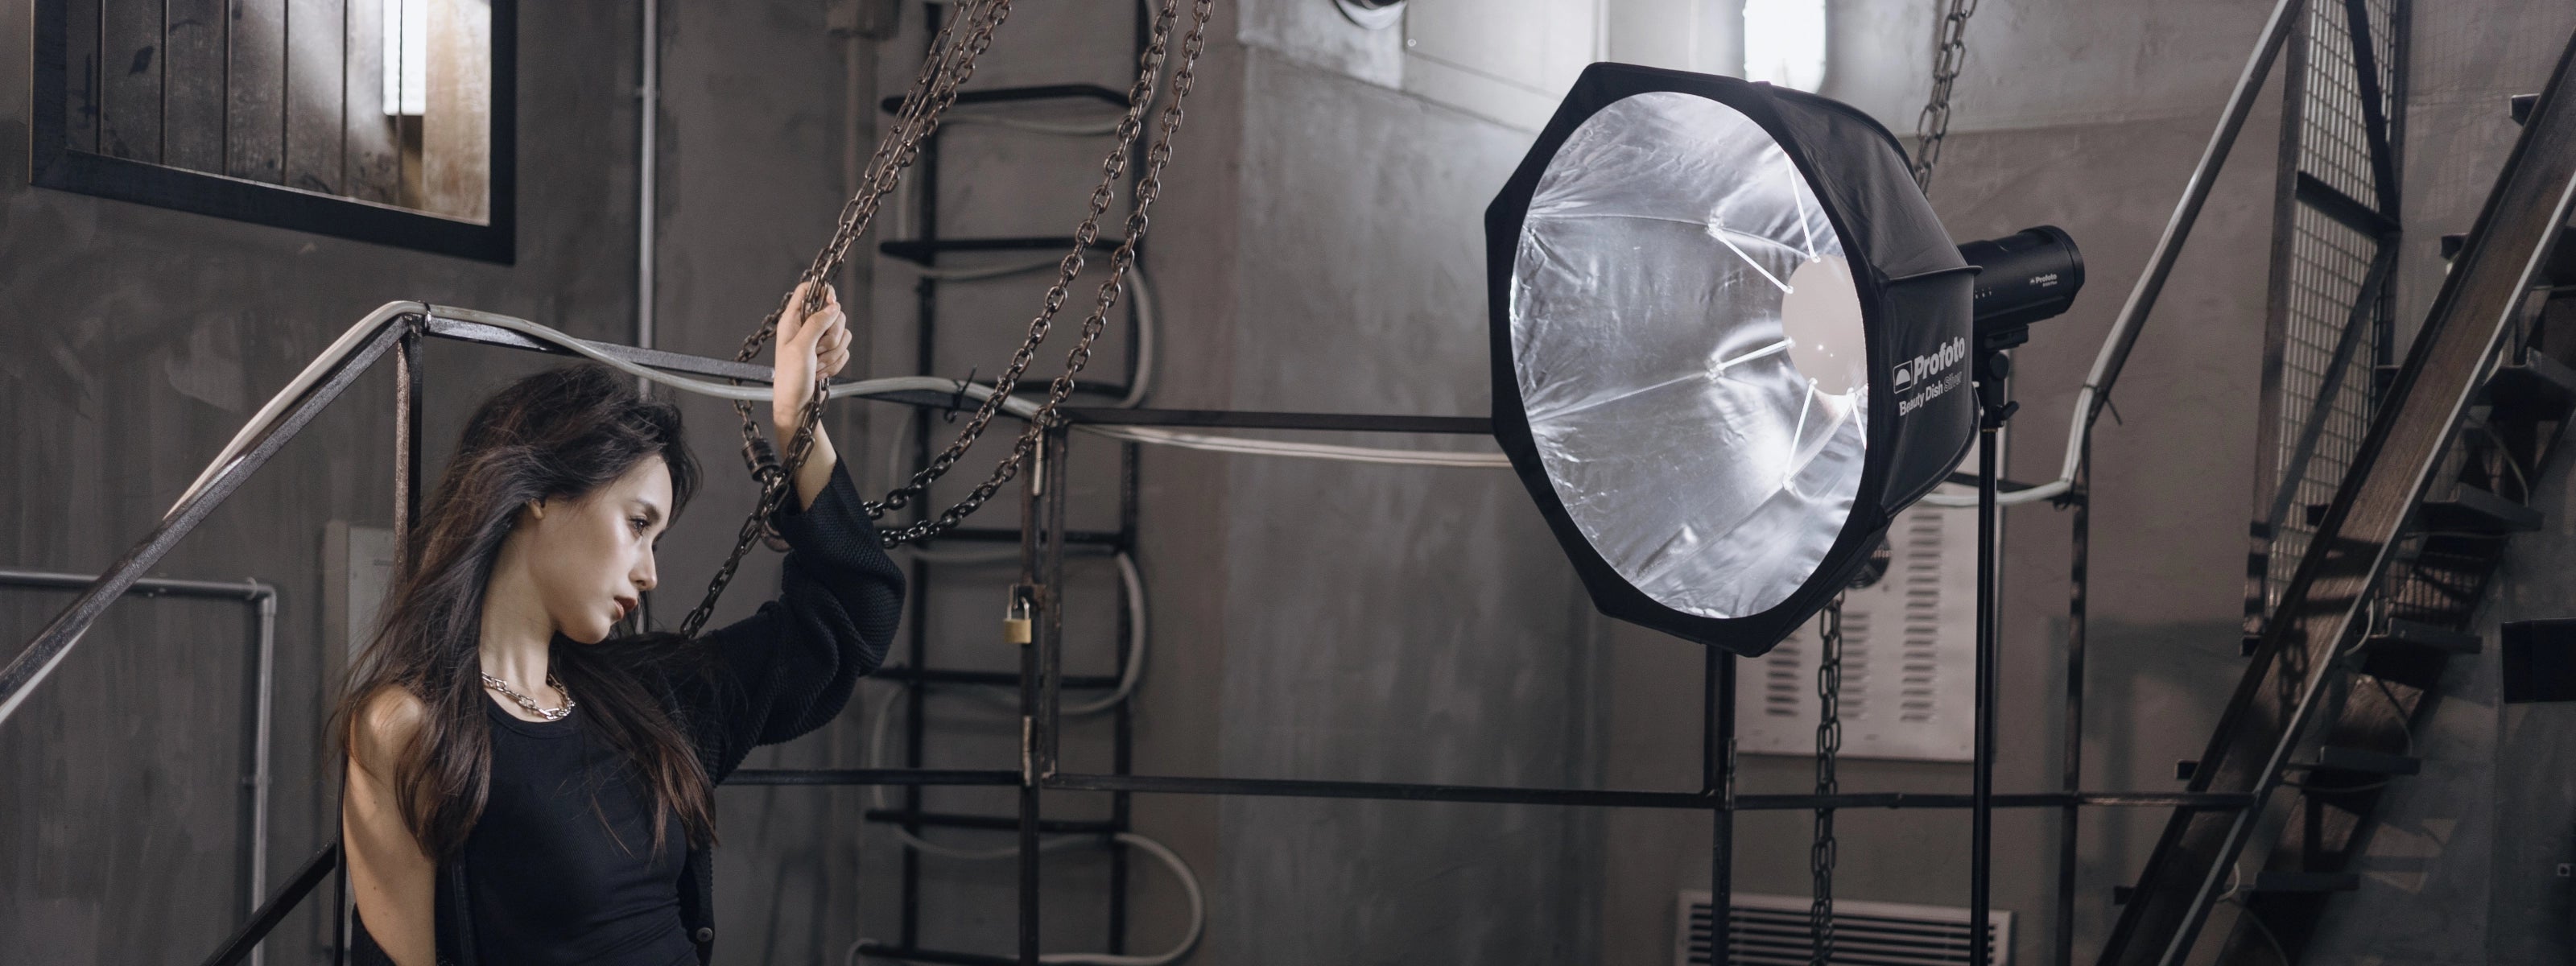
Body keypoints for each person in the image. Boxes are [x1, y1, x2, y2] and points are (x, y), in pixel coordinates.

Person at [334, 283, 899, 966]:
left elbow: (854, 614)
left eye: (655, 540)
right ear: (539, 492)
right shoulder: (410, 728)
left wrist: (798, 420)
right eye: (637, 525)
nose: (649, 573)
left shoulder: (650, 700)